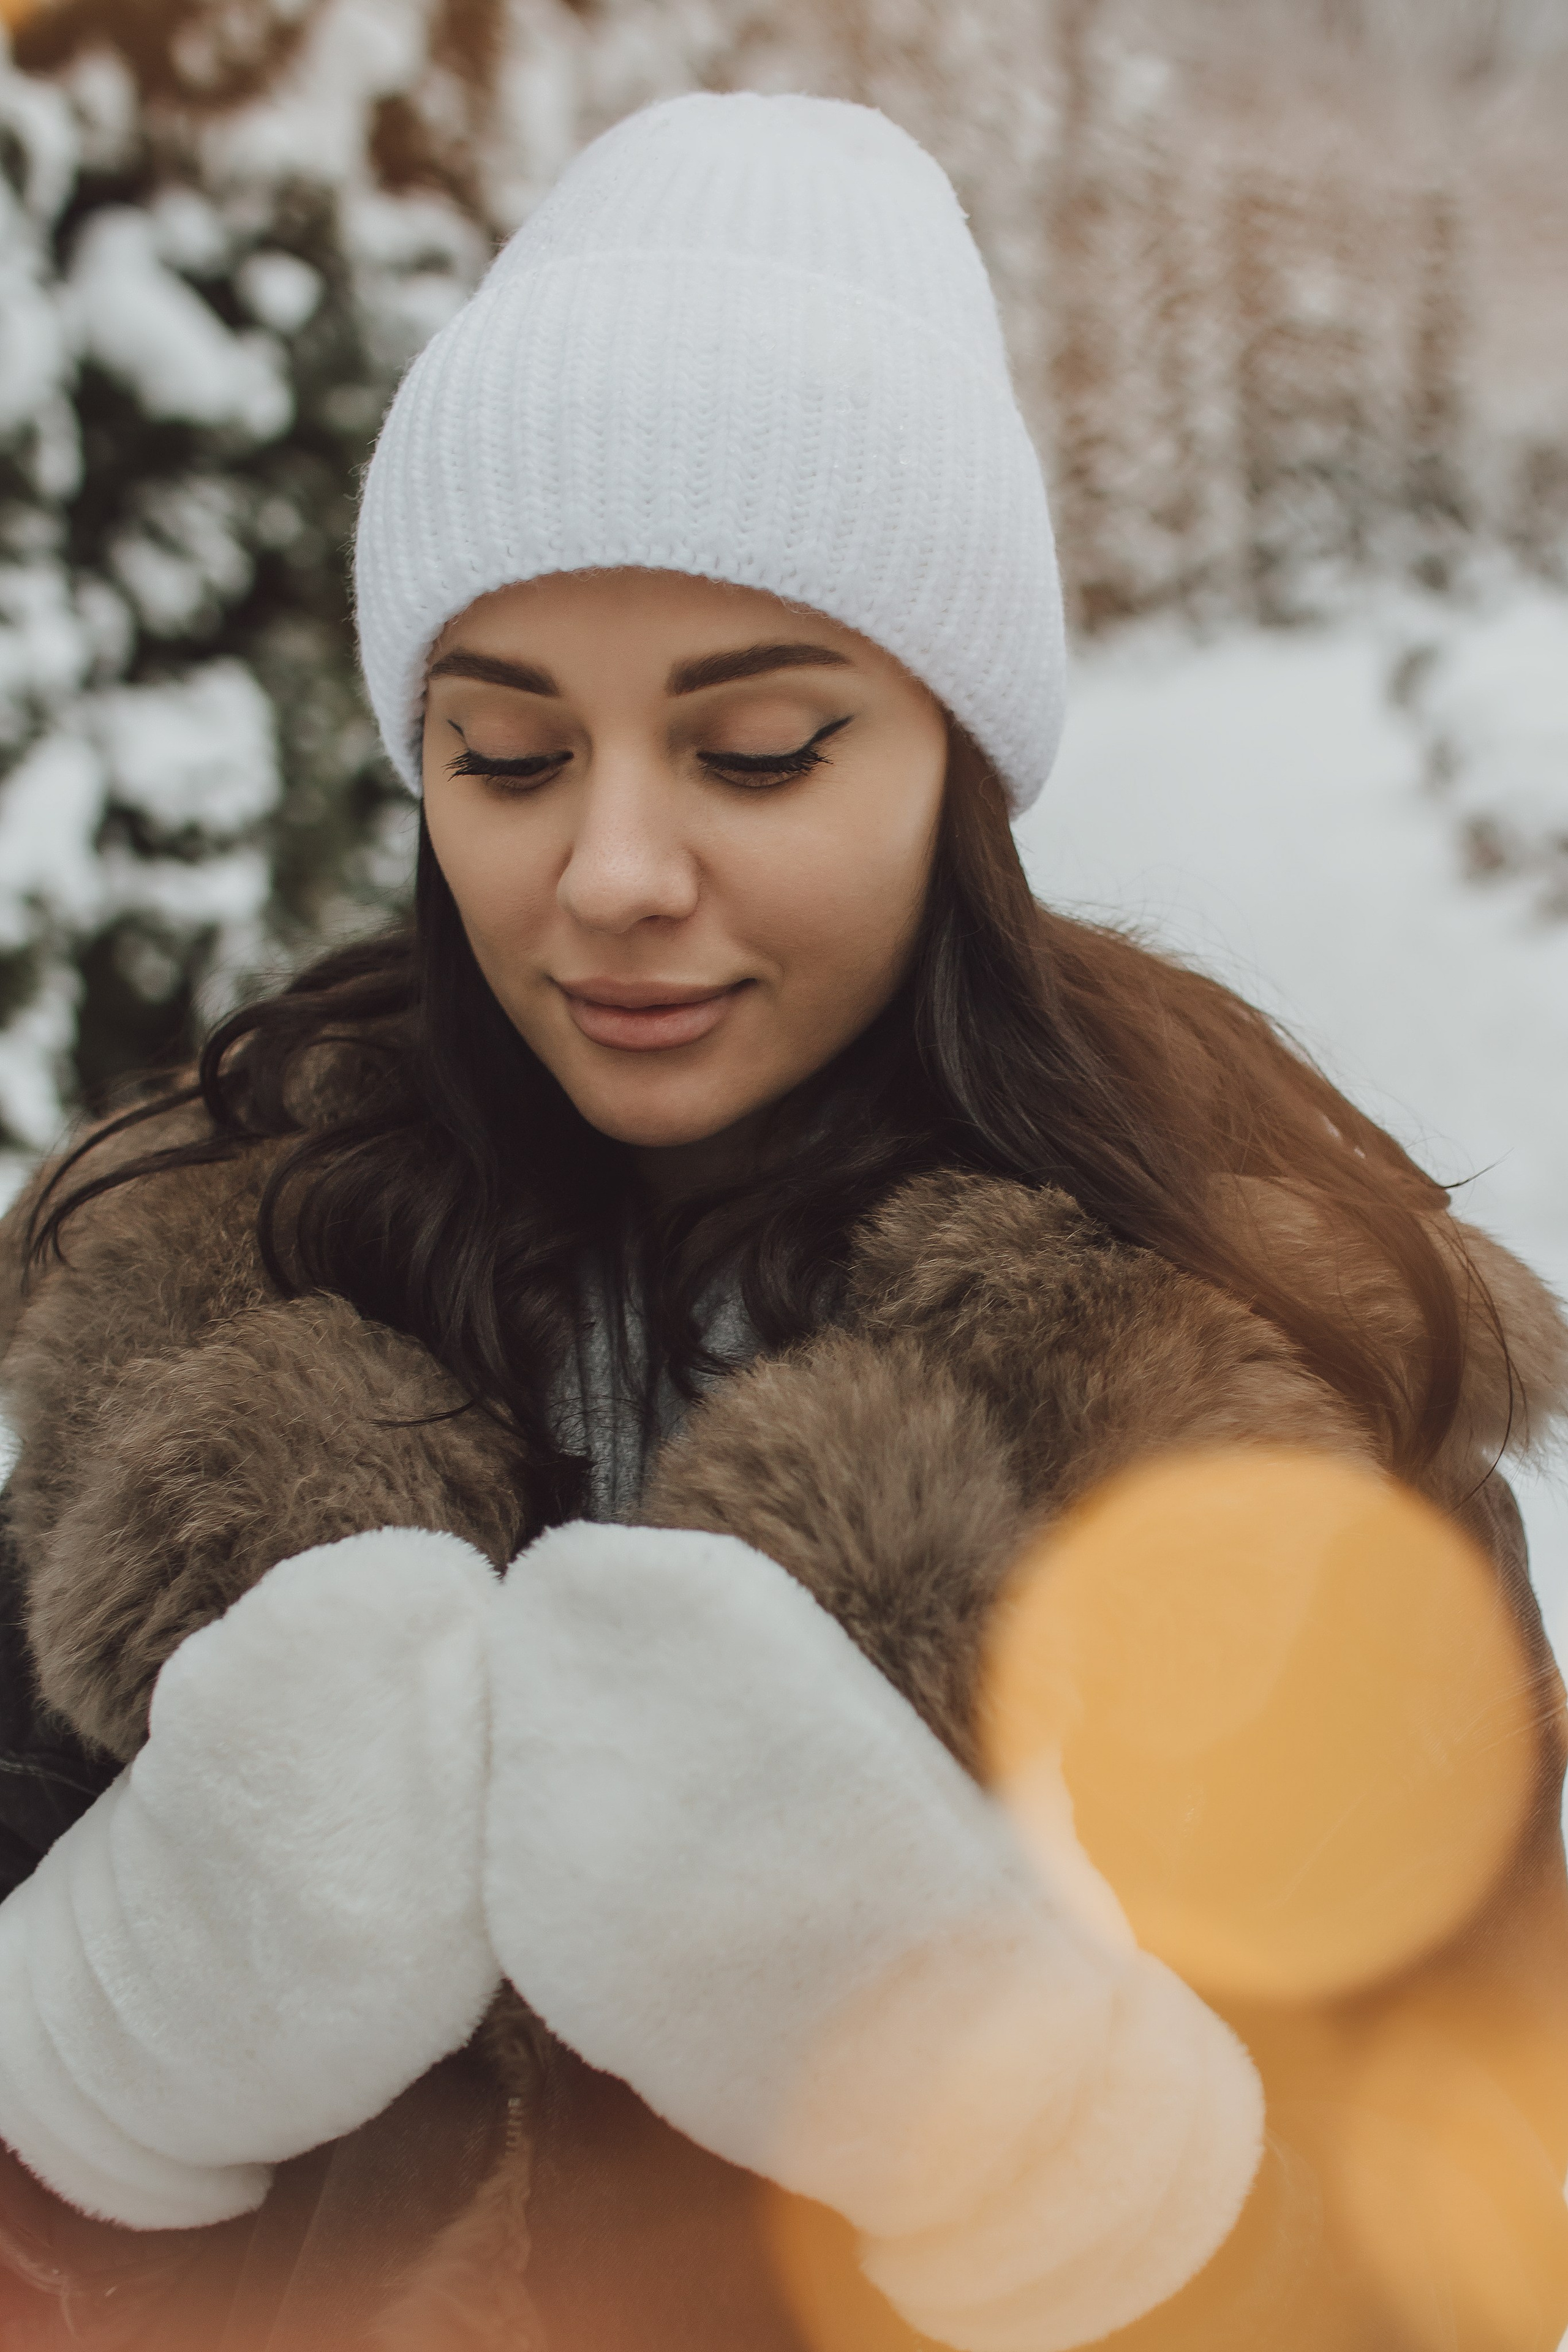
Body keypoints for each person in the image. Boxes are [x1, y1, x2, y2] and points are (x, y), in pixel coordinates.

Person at [0, 91, 1562, 2352]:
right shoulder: (201, 1333)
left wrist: (1036, 2138)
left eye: (756, 754)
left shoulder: (1253, 1390)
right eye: (506, 758)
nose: (613, 875)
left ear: (953, 757)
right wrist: (114, 2051)